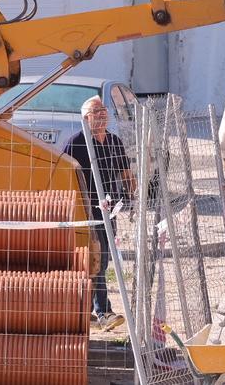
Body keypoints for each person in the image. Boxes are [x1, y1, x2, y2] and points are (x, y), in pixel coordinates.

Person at [62, 95, 132, 331]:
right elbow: (65, 176)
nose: (102, 114)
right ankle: (103, 312)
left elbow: (125, 172)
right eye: (96, 111)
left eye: (103, 110)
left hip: (110, 211)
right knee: (97, 261)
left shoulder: (113, 141)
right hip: (87, 211)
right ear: (85, 118)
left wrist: (135, 190)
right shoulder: (76, 143)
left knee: (104, 261)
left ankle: (90, 309)